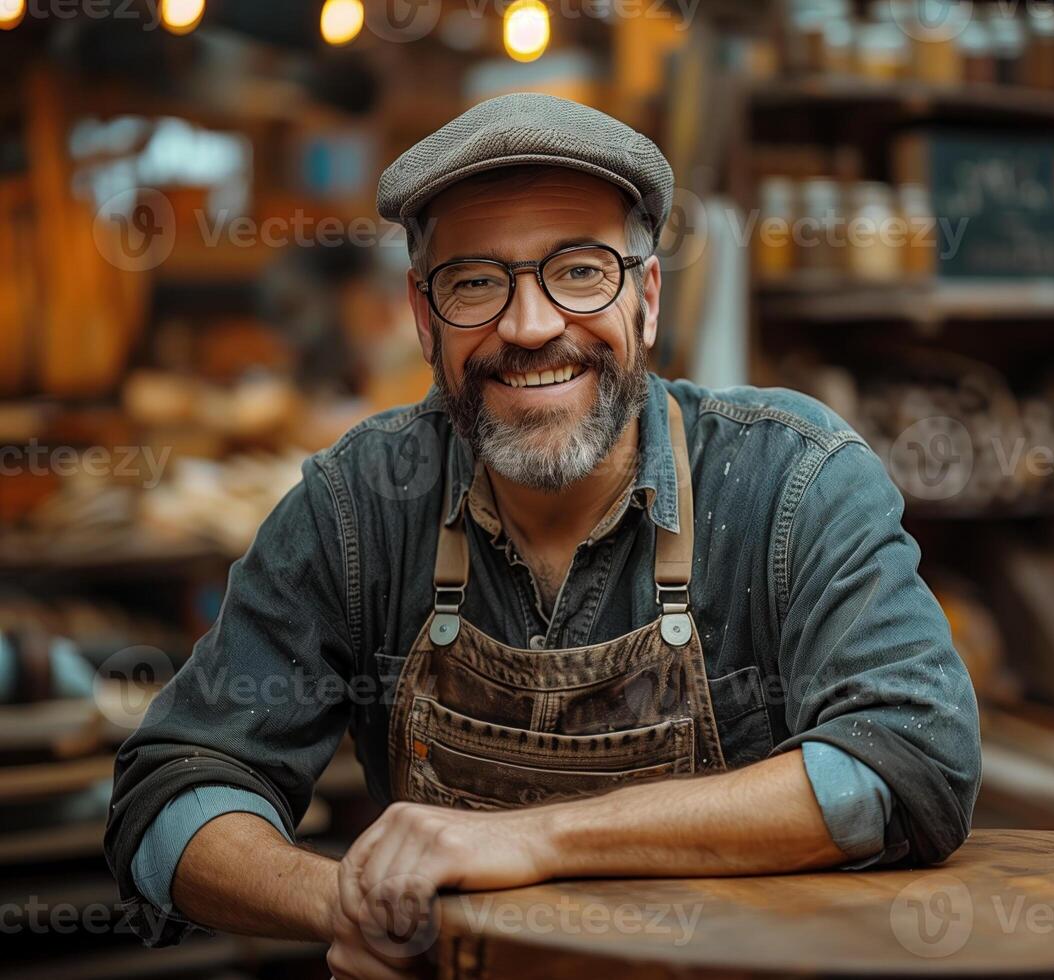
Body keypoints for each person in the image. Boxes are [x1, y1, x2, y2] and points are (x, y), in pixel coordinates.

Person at [105, 92, 980, 980]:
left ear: (645, 295)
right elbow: (167, 794)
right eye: (477, 282)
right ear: (422, 316)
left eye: (580, 270)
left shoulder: (789, 485)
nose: (529, 328)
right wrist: (353, 904)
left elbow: (911, 755)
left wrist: (532, 842)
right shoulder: (361, 507)